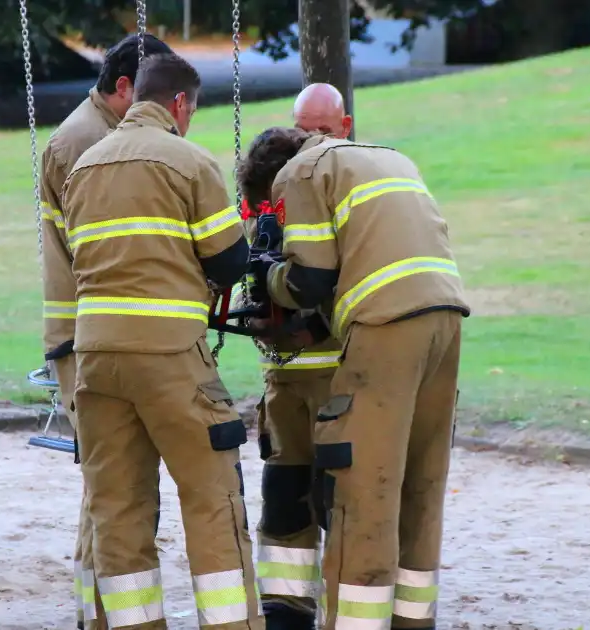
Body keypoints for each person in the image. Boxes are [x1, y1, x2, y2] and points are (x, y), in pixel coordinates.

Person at [237, 126, 470, 630]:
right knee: (421, 481)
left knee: (362, 487)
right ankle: (411, 619)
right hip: (446, 315)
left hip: (386, 323)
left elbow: (308, 279)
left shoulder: (301, 173)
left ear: (273, 181)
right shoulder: (385, 156)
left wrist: (269, 272)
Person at [62, 53, 260, 630]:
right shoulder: (189, 161)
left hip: (95, 357)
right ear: (180, 104)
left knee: (117, 510)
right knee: (212, 498)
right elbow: (228, 261)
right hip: (170, 355)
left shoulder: (84, 167)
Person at [37, 32, 174, 630]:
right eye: (159, 97)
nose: (170, 113)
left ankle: (97, 613)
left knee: (108, 484)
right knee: (112, 484)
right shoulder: (88, 142)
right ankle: (100, 614)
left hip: (95, 329)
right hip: (92, 332)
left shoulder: (98, 132)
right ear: (125, 89)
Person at [250, 82, 351, 630]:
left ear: (346, 130)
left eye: (325, 132)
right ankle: (286, 616)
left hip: (339, 384)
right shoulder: (272, 194)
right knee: (286, 510)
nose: (313, 143)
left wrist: (304, 323)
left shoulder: (350, 187)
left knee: (345, 511)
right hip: (284, 391)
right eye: (304, 132)